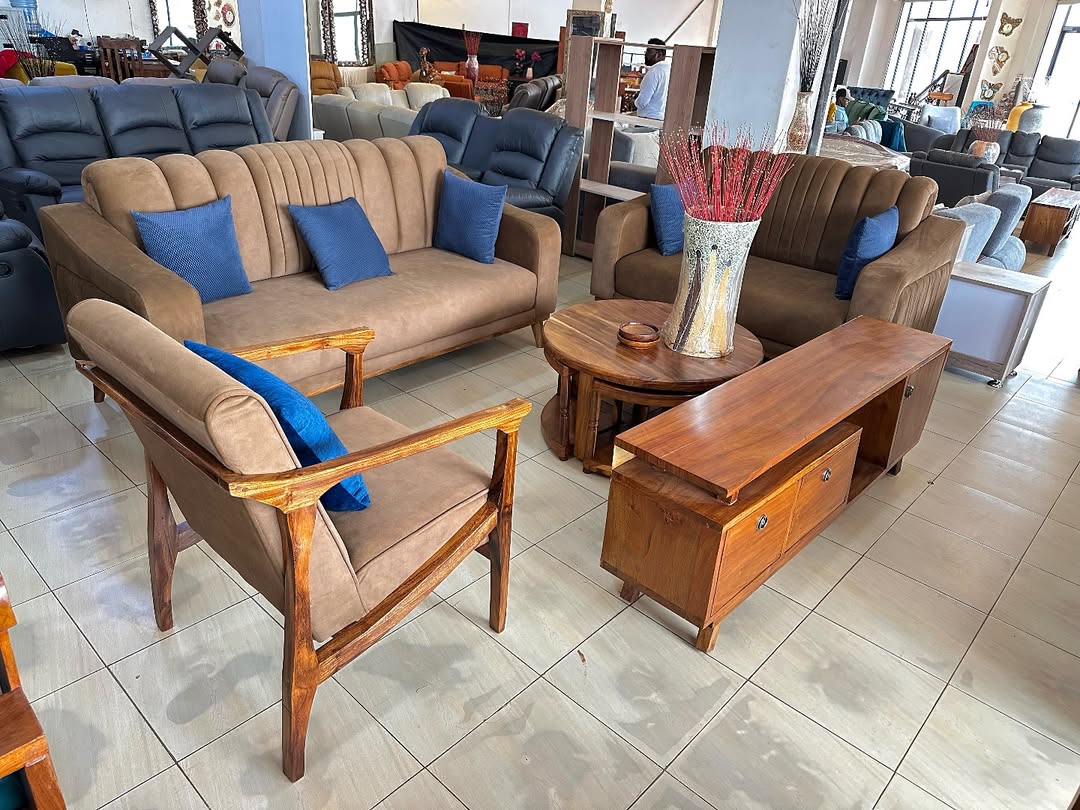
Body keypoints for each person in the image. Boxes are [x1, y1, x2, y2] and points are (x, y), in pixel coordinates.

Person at [634, 38, 670, 120]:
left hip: (647, 120)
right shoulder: (668, 70)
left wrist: (634, 101)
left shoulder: (654, 72)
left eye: (649, 51)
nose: (646, 55)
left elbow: (642, 102)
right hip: (660, 119)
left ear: (659, 54)